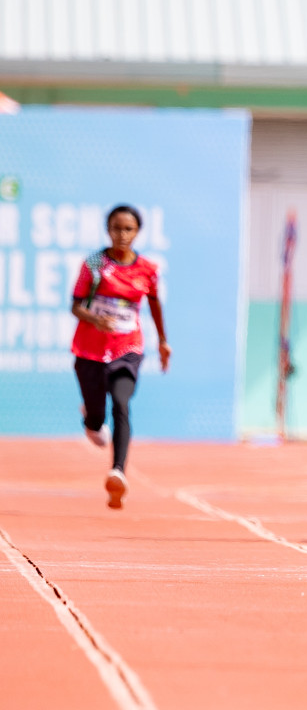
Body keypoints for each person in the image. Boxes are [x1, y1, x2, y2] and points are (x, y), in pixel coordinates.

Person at [70, 205, 171, 509]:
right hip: (89, 349)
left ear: (137, 232)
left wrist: (164, 341)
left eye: (128, 229)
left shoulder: (148, 270)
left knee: (122, 402)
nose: (122, 234)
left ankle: (118, 471)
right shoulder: (94, 264)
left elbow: (154, 305)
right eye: (116, 228)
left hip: (127, 348)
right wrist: (93, 318)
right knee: (98, 424)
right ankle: (90, 416)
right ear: (108, 230)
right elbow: (75, 305)